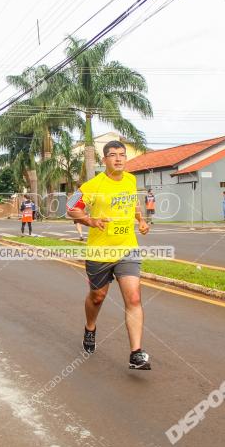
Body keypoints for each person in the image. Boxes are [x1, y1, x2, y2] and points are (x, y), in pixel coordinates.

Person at [67, 140, 151, 371]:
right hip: (100, 252)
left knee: (133, 298)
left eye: (122, 155)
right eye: (112, 155)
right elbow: (71, 206)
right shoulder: (93, 185)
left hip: (127, 248)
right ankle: (90, 327)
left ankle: (136, 353)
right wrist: (90, 220)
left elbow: (133, 204)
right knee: (97, 297)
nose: (118, 159)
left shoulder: (131, 180)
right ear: (104, 160)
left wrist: (141, 220)